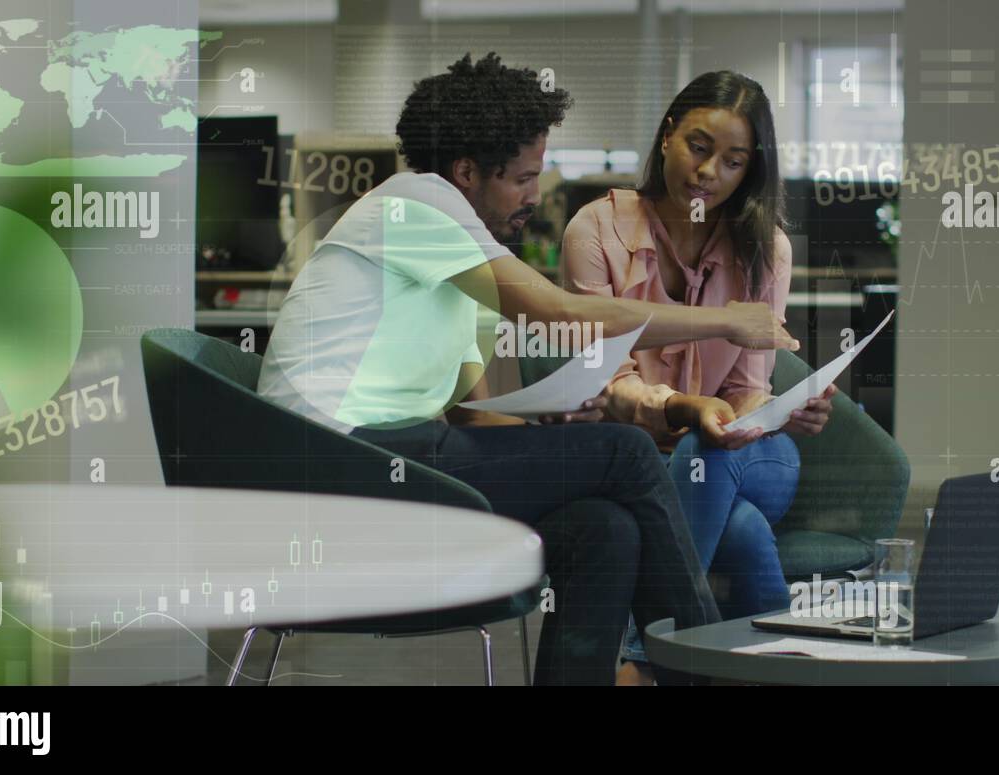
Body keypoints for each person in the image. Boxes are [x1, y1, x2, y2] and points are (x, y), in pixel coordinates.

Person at [257, 53, 799, 685]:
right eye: (522, 178)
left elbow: (473, 416)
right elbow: (560, 308)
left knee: (604, 527)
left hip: (386, 462)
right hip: (327, 467)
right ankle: (701, 671)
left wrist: (554, 429)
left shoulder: (461, 267)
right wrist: (728, 320)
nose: (534, 198)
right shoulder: (413, 202)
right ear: (466, 172)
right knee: (626, 454)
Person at [562, 70, 836, 685]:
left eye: (734, 161)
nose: (710, 171)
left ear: (749, 172)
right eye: (699, 146)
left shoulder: (767, 247)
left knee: (707, 450)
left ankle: (639, 662)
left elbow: (749, 387)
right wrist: (685, 406)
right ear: (666, 137)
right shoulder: (596, 232)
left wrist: (779, 410)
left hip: (751, 457)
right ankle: (773, 673)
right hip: (631, 460)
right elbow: (605, 380)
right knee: (742, 533)